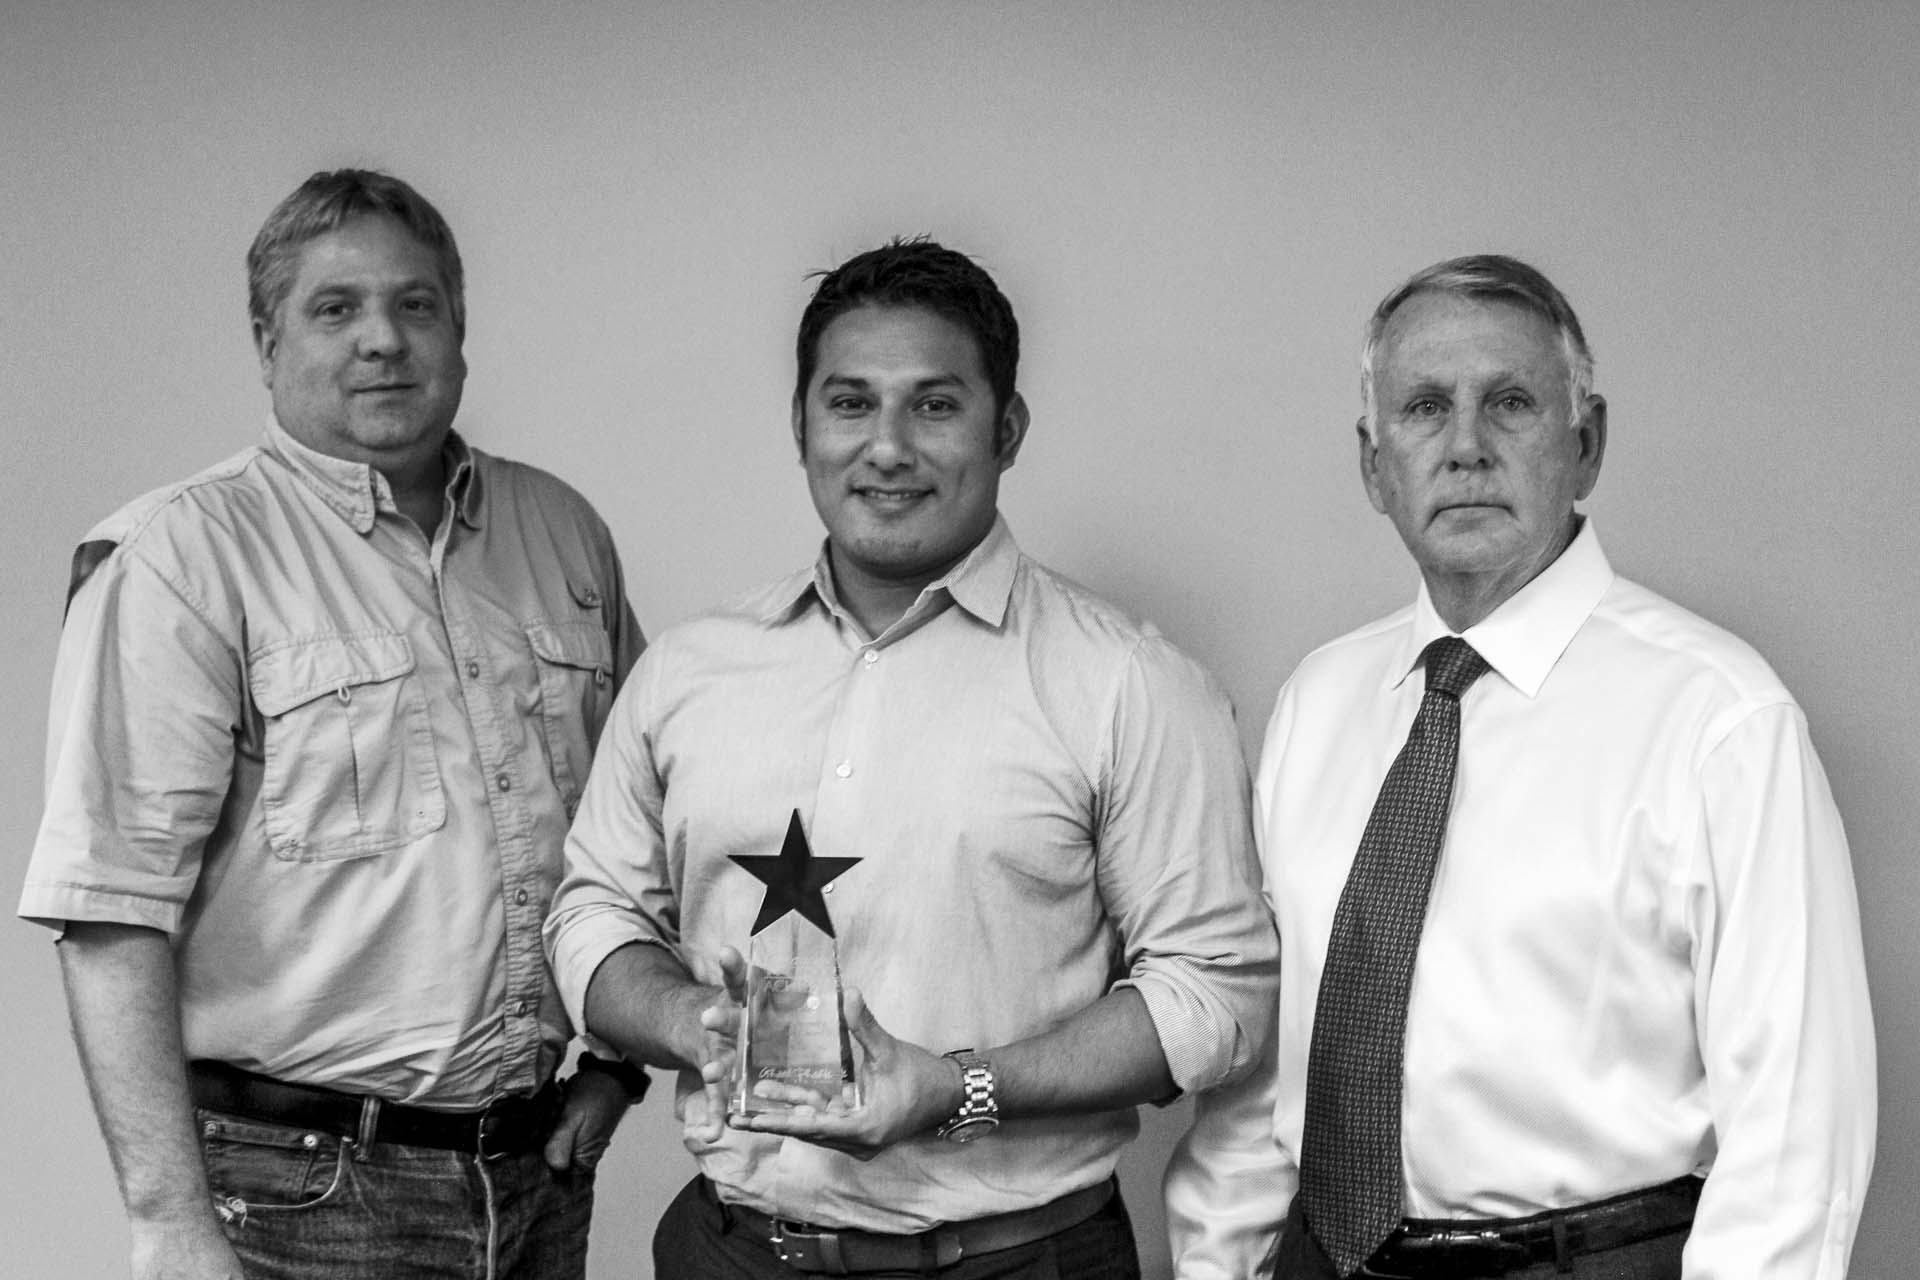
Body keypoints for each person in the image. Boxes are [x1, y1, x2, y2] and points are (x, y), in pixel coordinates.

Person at [544, 237, 1279, 1280]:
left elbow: (1217, 997)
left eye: (935, 405)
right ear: (801, 425)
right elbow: (593, 913)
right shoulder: (685, 672)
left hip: (1019, 1262)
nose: (886, 447)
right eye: (850, 403)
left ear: (1006, 428)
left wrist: (957, 1087)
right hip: (730, 1252)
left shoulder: (1132, 684)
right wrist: (690, 1019)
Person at [1164, 254, 1876, 1279]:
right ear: (1373, 465)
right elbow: (1270, 1072)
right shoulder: (1320, 702)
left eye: (1510, 403)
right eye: (1424, 408)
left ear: (1585, 445)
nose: (1465, 447)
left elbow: (1795, 1134)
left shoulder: (1718, 718)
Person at [19, 169, 648, 1280]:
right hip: (297, 1197)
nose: (383, 340)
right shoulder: (179, 559)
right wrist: (169, 1220)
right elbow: (110, 912)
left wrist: (616, 1066)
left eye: (416, 304)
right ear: (268, 344)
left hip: (536, 1183)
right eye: (335, 308)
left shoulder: (563, 532)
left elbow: (641, 828)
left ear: (460, 329)